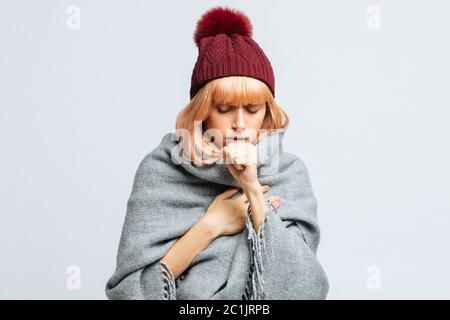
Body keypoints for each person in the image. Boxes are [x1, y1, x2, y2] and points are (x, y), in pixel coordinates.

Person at [105, 6, 329, 300]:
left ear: (267, 114)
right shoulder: (161, 170)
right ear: (202, 113)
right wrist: (212, 225)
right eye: (223, 109)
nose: (239, 124)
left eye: (252, 110)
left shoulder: (289, 172)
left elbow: (305, 289)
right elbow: (128, 292)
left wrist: (251, 189)